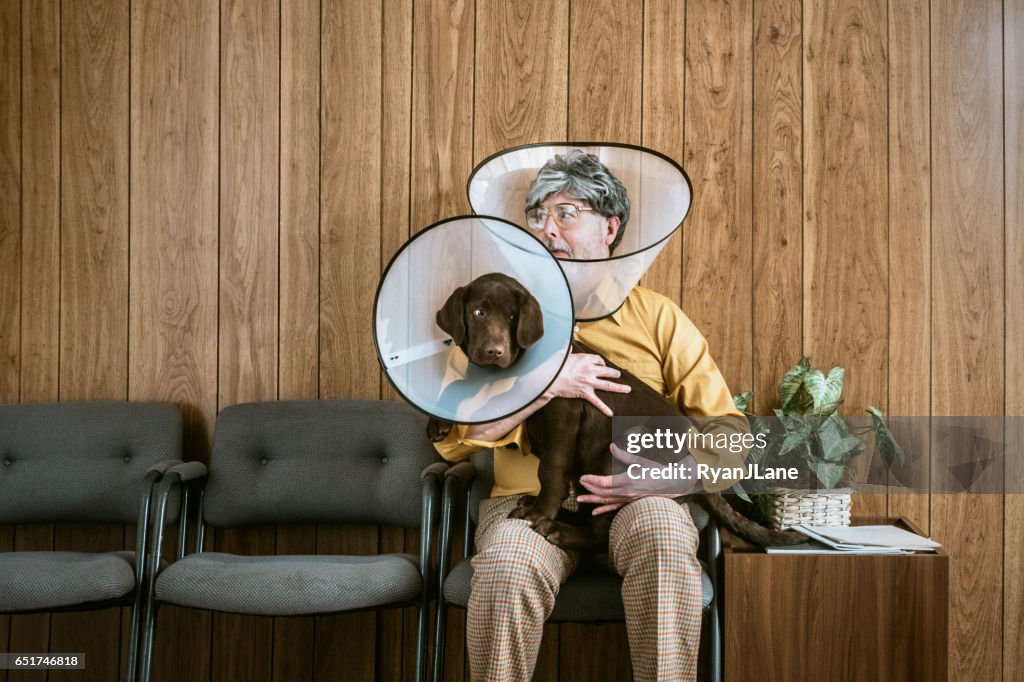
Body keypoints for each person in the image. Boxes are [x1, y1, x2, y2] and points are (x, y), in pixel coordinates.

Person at [433, 149, 746, 681]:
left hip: (640, 502)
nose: (547, 229)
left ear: (610, 227)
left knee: (666, 539)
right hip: (525, 504)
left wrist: (658, 479)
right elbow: (455, 440)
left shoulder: (658, 318)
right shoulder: (490, 321)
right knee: (507, 564)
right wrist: (544, 385)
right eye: (536, 216)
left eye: (565, 213)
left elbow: (732, 442)